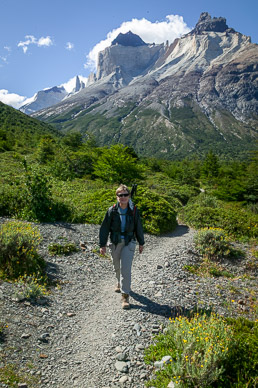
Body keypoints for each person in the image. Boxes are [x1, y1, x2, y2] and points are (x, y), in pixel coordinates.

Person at [99, 184, 144, 309]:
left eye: (125, 195)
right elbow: (104, 229)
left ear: (129, 196)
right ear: (117, 196)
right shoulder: (111, 211)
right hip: (115, 242)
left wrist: (141, 242)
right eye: (120, 195)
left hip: (129, 242)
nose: (123, 197)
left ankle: (125, 296)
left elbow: (138, 226)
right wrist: (102, 245)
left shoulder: (134, 210)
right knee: (116, 267)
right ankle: (118, 282)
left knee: (126, 269)